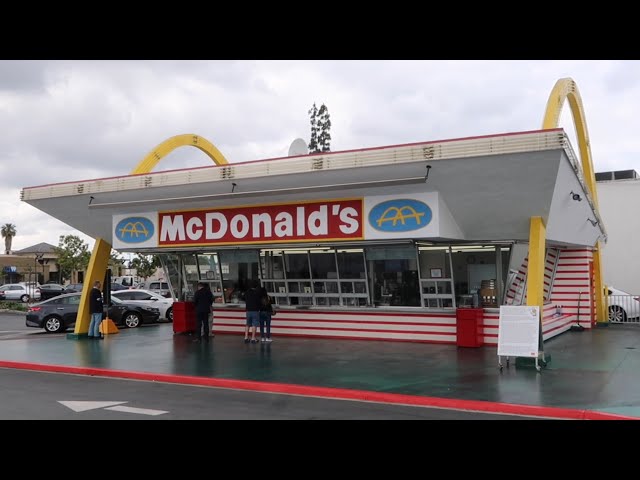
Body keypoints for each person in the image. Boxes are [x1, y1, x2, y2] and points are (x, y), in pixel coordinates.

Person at [243, 279, 266, 344]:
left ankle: (246, 337)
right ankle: (253, 338)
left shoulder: (246, 292)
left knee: (247, 324)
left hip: (248, 311)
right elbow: (260, 302)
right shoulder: (257, 293)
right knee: (254, 324)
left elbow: (243, 298)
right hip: (255, 311)